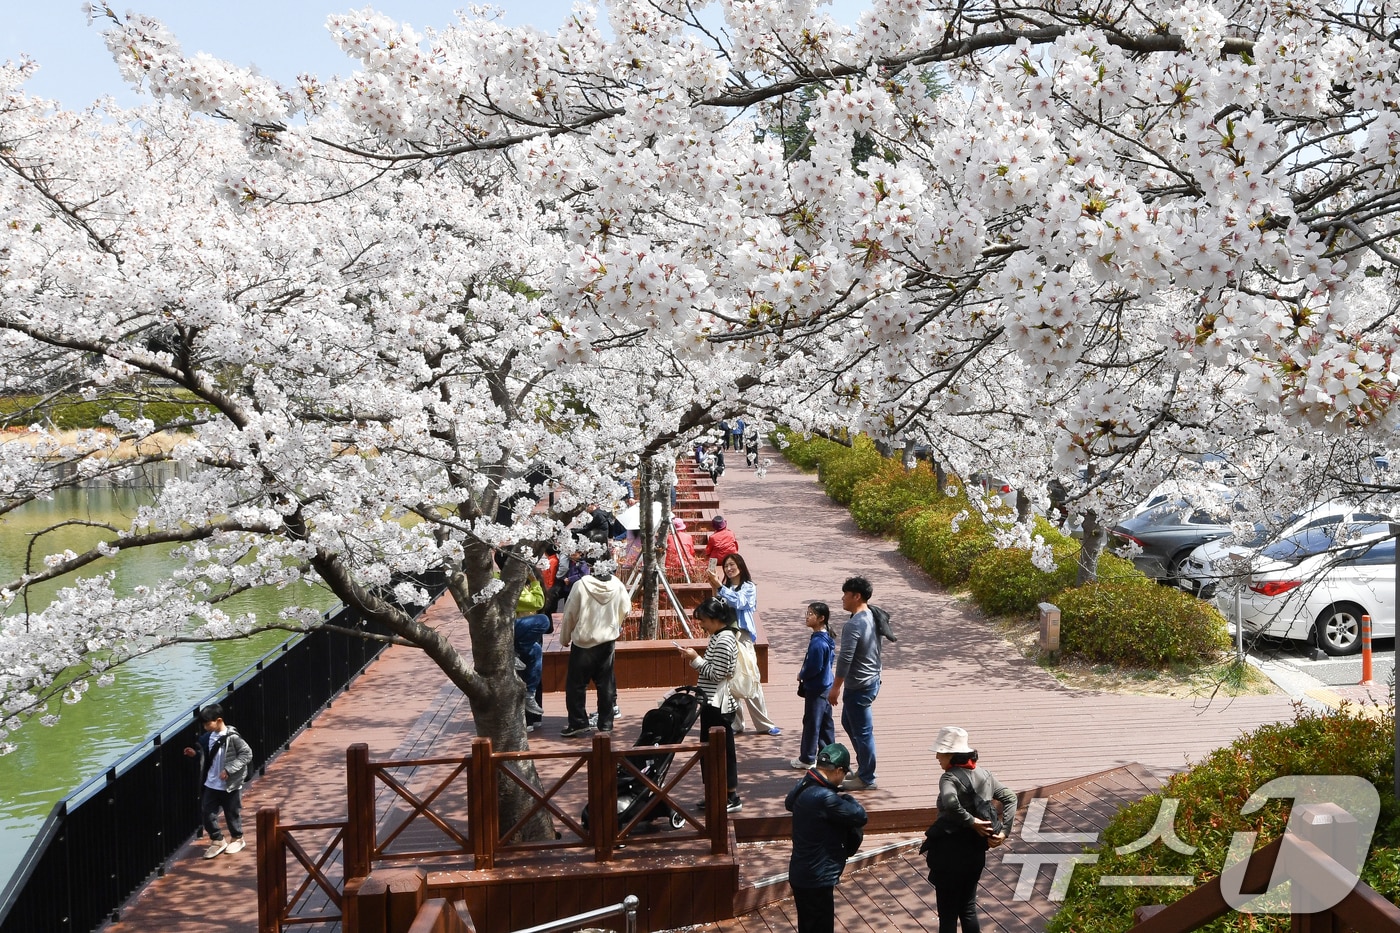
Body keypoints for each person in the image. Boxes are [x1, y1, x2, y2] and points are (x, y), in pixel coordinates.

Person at [921, 726, 1017, 933]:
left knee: (948, 915)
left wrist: (970, 820)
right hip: (974, 852)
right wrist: (1004, 832)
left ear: (951, 755)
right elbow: (1010, 798)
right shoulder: (985, 775)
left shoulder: (949, 778)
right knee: (968, 909)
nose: (937, 757)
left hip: (949, 853)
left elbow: (950, 803)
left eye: (940, 752)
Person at [785, 743, 868, 933]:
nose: (843, 780)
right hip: (818, 877)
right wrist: (848, 798)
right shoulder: (825, 797)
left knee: (807, 925)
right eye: (844, 774)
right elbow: (860, 816)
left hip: (801, 872)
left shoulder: (806, 785)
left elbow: (789, 803)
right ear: (838, 770)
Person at [673, 596, 743, 812]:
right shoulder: (718, 636)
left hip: (718, 703)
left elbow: (716, 674)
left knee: (721, 752)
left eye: (703, 620)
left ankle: (730, 796)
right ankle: (716, 792)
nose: (701, 625)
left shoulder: (724, 640)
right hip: (712, 701)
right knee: (711, 751)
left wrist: (695, 658)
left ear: (715, 618)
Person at [709, 553, 781, 736]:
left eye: (732, 565)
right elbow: (715, 609)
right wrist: (715, 588)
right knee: (729, 679)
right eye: (726, 566)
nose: (728, 569)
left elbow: (740, 602)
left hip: (743, 636)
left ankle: (764, 724)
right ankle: (736, 724)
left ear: (740, 566)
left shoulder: (748, 587)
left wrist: (720, 588)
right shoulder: (724, 587)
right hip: (726, 637)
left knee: (751, 676)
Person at [559, 564, 629, 737]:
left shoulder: (580, 585)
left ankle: (578, 722)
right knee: (606, 683)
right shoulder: (617, 584)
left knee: (576, 685)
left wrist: (564, 638)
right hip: (607, 641)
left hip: (583, 642)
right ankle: (606, 723)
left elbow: (569, 614)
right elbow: (626, 609)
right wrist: (615, 624)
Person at [829, 576, 881, 790]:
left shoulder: (854, 624)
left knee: (863, 732)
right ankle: (865, 769)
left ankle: (867, 778)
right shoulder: (872, 614)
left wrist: (835, 688)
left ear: (857, 596)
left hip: (860, 685)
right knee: (849, 723)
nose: (842, 598)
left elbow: (845, 659)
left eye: (846, 594)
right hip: (872, 680)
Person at [182, 703, 253, 859]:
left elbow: (246, 754)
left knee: (231, 813)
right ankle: (217, 839)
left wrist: (229, 769)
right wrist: (195, 755)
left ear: (219, 720)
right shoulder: (207, 738)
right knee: (207, 812)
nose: (205, 727)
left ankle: (237, 838)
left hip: (230, 784)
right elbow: (207, 758)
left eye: (208, 724)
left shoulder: (233, 737)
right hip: (211, 783)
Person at [792, 602, 835, 769]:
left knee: (812, 723)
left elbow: (814, 667)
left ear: (821, 618)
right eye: (807, 613)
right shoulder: (826, 638)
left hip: (817, 688)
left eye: (811, 614)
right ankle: (829, 756)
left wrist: (802, 674)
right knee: (825, 724)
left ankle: (807, 758)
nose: (807, 617)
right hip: (826, 685)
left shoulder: (818, 643)